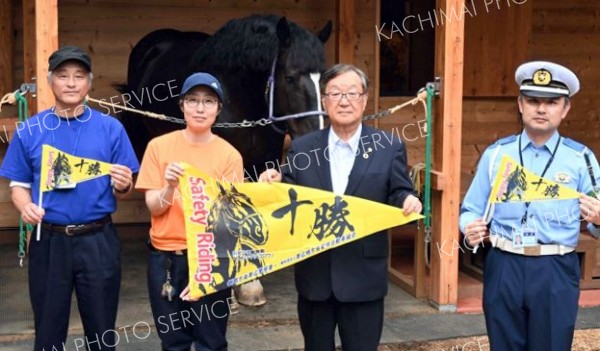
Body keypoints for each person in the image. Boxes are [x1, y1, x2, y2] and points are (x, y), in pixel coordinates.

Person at [259, 63, 422, 351]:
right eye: (335, 93)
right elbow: (288, 190)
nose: (343, 100)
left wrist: (407, 199)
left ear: (364, 99)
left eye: (351, 93)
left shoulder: (388, 146)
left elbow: (398, 191)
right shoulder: (303, 148)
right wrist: (275, 179)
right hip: (315, 276)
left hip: (364, 278)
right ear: (324, 101)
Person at [0, 46, 139, 351]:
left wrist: (124, 184)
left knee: (102, 332)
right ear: (50, 81)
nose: (71, 83)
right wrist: (26, 207)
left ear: (89, 82)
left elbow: (123, 190)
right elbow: (18, 186)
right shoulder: (30, 130)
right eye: (63, 76)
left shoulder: (111, 128)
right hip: (48, 240)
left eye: (79, 76)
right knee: (48, 332)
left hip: (99, 239)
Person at [460, 61, 600, 351]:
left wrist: (598, 219)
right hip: (504, 263)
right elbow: (470, 208)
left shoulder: (581, 159)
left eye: (551, 102)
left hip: (555, 268)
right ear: (520, 104)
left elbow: (598, 219)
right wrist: (469, 227)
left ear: (565, 109)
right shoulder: (497, 155)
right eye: (533, 100)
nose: (541, 109)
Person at [135, 72, 242, 350]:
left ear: (219, 109)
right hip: (167, 260)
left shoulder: (230, 155)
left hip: (210, 258)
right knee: (173, 341)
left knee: (211, 341)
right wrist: (170, 187)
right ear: (182, 106)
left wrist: (204, 273)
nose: (200, 108)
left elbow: (227, 220)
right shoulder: (159, 147)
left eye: (208, 101)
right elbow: (154, 208)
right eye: (192, 100)